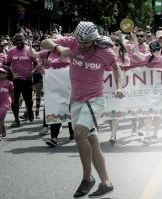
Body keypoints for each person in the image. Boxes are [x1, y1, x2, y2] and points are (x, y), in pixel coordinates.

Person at [41, 21, 124, 197]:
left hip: (95, 100)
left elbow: (116, 68)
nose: (83, 46)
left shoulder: (105, 52)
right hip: (76, 100)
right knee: (92, 141)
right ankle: (106, 182)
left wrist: (119, 87)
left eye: (86, 43)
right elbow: (45, 42)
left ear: (94, 40)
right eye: (80, 42)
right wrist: (57, 48)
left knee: (79, 134)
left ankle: (87, 178)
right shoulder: (73, 43)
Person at [28, 34, 74, 147]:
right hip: (54, 89)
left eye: (56, 40)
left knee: (69, 110)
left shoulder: (69, 51)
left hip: (69, 88)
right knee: (55, 110)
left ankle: (72, 133)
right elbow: (32, 54)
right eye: (52, 41)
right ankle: (53, 138)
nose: (53, 43)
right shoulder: (47, 52)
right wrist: (29, 44)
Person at [7, 33, 37, 127]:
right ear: (15, 41)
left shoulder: (30, 50)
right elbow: (7, 65)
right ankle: (16, 120)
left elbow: (36, 63)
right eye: (18, 40)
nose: (20, 41)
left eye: (21, 39)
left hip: (27, 79)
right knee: (15, 101)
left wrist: (32, 72)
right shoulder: (11, 51)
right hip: (16, 80)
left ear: (25, 39)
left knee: (29, 100)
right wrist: (12, 74)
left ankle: (30, 110)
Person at [0, 67, 14, 141]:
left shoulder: (10, 83)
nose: (1, 73)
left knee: (1, 118)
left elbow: (11, 92)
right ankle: (3, 129)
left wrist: (13, 101)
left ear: (7, 74)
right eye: (0, 72)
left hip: (6, 102)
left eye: (3, 72)